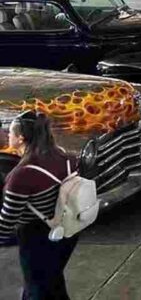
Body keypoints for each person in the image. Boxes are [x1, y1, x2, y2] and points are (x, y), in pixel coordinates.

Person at [0, 111, 80, 298]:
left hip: (38, 239)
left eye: (11, 132)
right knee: (53, 282)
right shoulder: (65, 156)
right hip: (67, 231)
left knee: (37, 289)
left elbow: (5, 224)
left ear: (20, 138)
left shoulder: (22, 175)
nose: (7, 135)